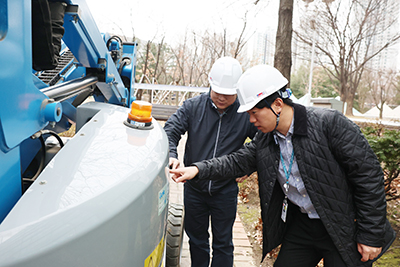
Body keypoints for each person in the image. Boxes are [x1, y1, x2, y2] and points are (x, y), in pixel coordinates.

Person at [170, 64, 396, 267]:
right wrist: (197, 169)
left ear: (277, 104)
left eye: (254, 113)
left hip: (342, 226)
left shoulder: (329, 124)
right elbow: (236, 161)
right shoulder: (267, 139)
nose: (250, 120)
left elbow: (368, 176)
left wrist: (371, 234)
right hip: (303, 225)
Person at [164, 56, 258, 267]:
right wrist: (172, 154)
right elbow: (170, 130)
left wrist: (249, 166)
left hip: (225, 190)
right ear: (209, 82)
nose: (222, 98)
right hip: (194, 188)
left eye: (228, 94)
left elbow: (262, 143)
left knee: (223, 243)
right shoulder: (192, 106)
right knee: (197, 240)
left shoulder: (246, 113)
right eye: (218, 93)